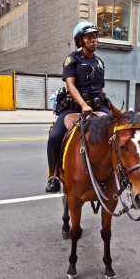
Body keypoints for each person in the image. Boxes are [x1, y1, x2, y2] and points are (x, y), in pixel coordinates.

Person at [45, 21, 111, 193]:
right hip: (74, 107)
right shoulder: (72, 60)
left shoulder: (100, 62)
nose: (94, 40)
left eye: (95, 37)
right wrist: (82, 105)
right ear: (80, 41)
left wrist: (108, 106)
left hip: (97, 105)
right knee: (55, 136)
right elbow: (70, 85)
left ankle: (118, 173)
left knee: (117, 131)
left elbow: (100, 88)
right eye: (89, 37)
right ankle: (53, 176)